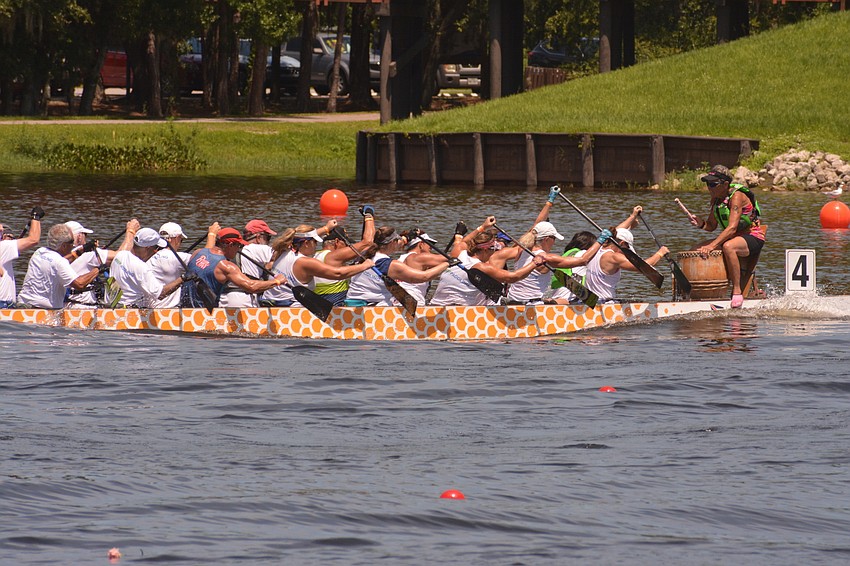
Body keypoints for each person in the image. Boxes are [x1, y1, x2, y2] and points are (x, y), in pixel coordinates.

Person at [691, 164, 766, 308]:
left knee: (728, 246)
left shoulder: (737, 196)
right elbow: (711, 226)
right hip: (734, 237)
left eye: (713, 184)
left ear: (725, 184)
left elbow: (731, 228)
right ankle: (701, 293)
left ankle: (737, 291)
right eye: (708, 183)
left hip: (753, 236)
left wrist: (712, 246)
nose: (709, 187)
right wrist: (700, 223)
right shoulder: (716, 199)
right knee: (694, 250)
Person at [430, 225, 548, 306]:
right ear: (486, 250)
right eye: (494, 248)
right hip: (458, 312)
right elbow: (513, 277)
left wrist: (483, 226)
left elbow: (460, 242)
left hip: (434, 306)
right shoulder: (481, 267)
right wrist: (534, 263)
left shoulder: (459, 252)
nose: (495, 252)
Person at [262, 224, 374, 307]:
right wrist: (364, 265)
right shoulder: (305, 262)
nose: (317, 245)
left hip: (267, 304)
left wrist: (326, 228)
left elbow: (297, 235)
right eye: (315, 242)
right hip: (289, 308)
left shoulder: (282, 250)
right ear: (306, 243)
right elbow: (338, 273)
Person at [182, 227, 287, 308]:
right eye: (239, 246)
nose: (239, 249)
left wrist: (212, 233)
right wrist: (276, 281)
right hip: (203, 313)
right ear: (230, 245)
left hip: (183, 309)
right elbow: (251, 286)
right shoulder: (226, 266)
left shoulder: (197, 252)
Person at [345, 225, 449, 307]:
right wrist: (447, 263)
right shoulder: (390, 264)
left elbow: (396, 242)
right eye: (397, 240)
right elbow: (424, 277)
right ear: (392, 242)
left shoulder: (364, 252)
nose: (400, 243)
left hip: (350, 303)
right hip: (372, 309)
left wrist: (408, 237)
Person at [584, 206, 669, 303]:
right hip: (604, 304)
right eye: (627, 249)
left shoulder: (597, 246)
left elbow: (617, 231)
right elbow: (645, 266)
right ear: (622, 244)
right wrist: (660, 253)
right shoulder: (614, 257)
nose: (627, 253)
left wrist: (632, 216)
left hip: (590, 302)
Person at [16, 223, 102, 309]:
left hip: (22, 306)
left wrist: (80, 251)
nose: (73, 245)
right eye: (72, 242)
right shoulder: (60, 262)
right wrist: (97, 270)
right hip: (42, 312)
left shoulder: (39, 252)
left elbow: (56, 263)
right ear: (64, 245)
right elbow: (79, 284)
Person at [66, 219, 140, 307]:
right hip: (83, 309)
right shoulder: (88, 255)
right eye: (85, 234)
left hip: (65, 304)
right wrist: (131, 232)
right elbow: (122, 257)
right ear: (79, 237)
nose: (86, 238)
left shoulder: (60, 255)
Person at [312, 207, 377, 306]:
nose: (347, 247)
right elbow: (368, 242)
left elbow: (364, 248)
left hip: (320, 304)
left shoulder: (315, 255)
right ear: (337, 242)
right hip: (334, 308)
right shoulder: (332, 257)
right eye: (346, 244)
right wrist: (369, 215)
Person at [109, 228, 188, 308]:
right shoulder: (141, 267)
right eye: (156, 248)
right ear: (148, 248)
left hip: (111, 308)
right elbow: (160, 294)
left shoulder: (120, 256)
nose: (156, 252)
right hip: (129, 313)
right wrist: (183, 278)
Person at [0, 207, 44, 308]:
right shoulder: (3, 247)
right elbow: (34, 239)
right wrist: (36, 217)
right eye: (7, 236)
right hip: (3, 306)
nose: (11, 240)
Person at [147, 222, 193, 308]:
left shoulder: (148, 255)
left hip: (148, 307)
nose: (180, 243)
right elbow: (204, 260)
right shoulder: (175, 258)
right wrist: (211, 235)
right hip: (168, 310)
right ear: (176, 238)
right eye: (181, 240)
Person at [398, 227, 448, 305]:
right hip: (413, 305)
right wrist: (458, 238)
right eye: (429, 243)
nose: (431, 247)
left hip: (397, 302)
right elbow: (452, 258)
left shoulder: (401, 258)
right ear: (421, 244)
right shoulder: (418, 258)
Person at [548, 231, 598, 304]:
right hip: (569, 293)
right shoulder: (583, 253)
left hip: (558, 290)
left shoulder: (568, 253)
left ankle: (551, 301)